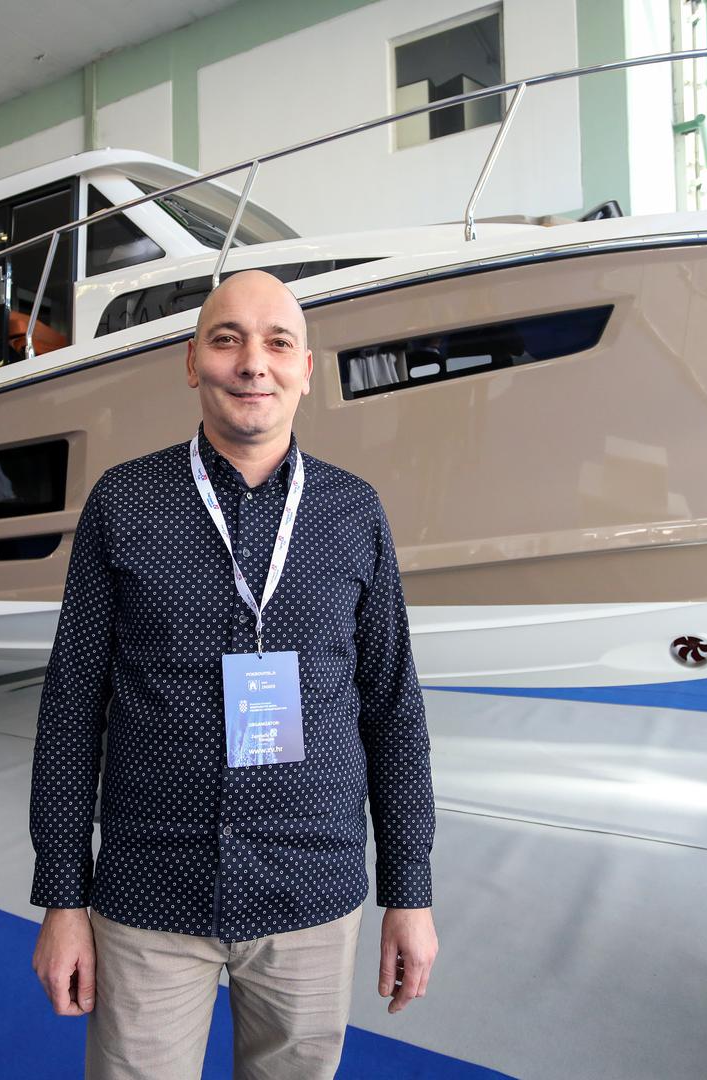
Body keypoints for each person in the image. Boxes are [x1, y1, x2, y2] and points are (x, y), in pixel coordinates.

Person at [29, 269, 437, 1079]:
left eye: (278, 343)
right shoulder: (124, 501)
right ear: (191, 363)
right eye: (227, 340)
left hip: (311, 895)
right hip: (149, 895)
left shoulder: (353, 510)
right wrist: (62, 899)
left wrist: (410, 892)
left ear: (305, 370)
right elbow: (71, 709)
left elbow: (393, 708)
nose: (253, 363)